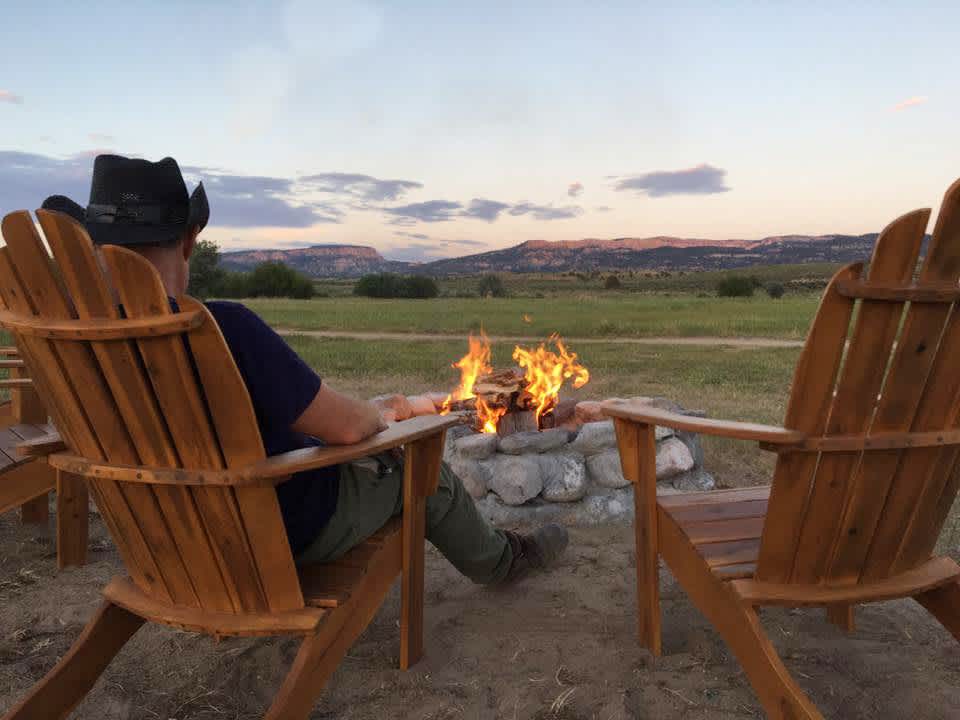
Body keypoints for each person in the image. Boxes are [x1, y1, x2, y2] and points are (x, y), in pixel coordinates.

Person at [42, 154, 568, 586]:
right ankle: (503, 562)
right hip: (271, 534)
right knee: (418, 471)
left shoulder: (74, 344)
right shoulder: (220, 329)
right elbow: (346, 427)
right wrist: (380, 414)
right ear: (188, 240)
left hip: (163, 544)